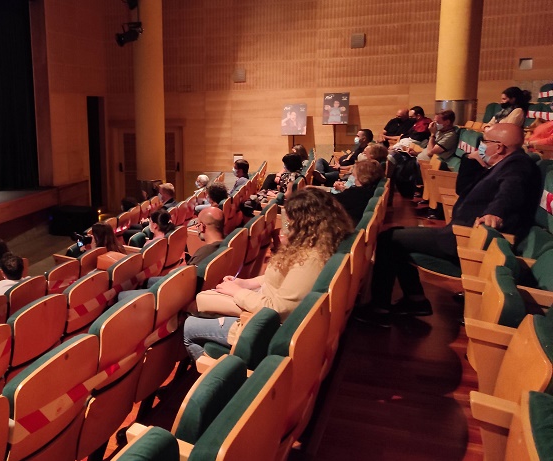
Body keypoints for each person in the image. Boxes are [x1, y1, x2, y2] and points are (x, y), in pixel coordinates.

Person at [356, 124, 542, 326]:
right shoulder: (500, 164)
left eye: (484, 142)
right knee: (396, 237)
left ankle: (380, 307)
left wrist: (495, 212)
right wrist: (471, 162)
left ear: (499, 147)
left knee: (388, 238)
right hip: (457, 233)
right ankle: (415, 300)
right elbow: (463, 189)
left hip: (463, 240)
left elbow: (510, 191)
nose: (480, 146)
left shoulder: (517, 165)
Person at [182, 188, 353, 361]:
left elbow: (277, 309)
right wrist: (245, 284)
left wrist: (237, 292)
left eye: (290, 222)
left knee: (189, 325)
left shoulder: (312, 259)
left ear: (305, 224)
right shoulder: (316, 246)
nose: (287, 226)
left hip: (266, 326)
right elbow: (282, 278)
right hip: (263, 305)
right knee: (200, 303)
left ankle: (229, 380)